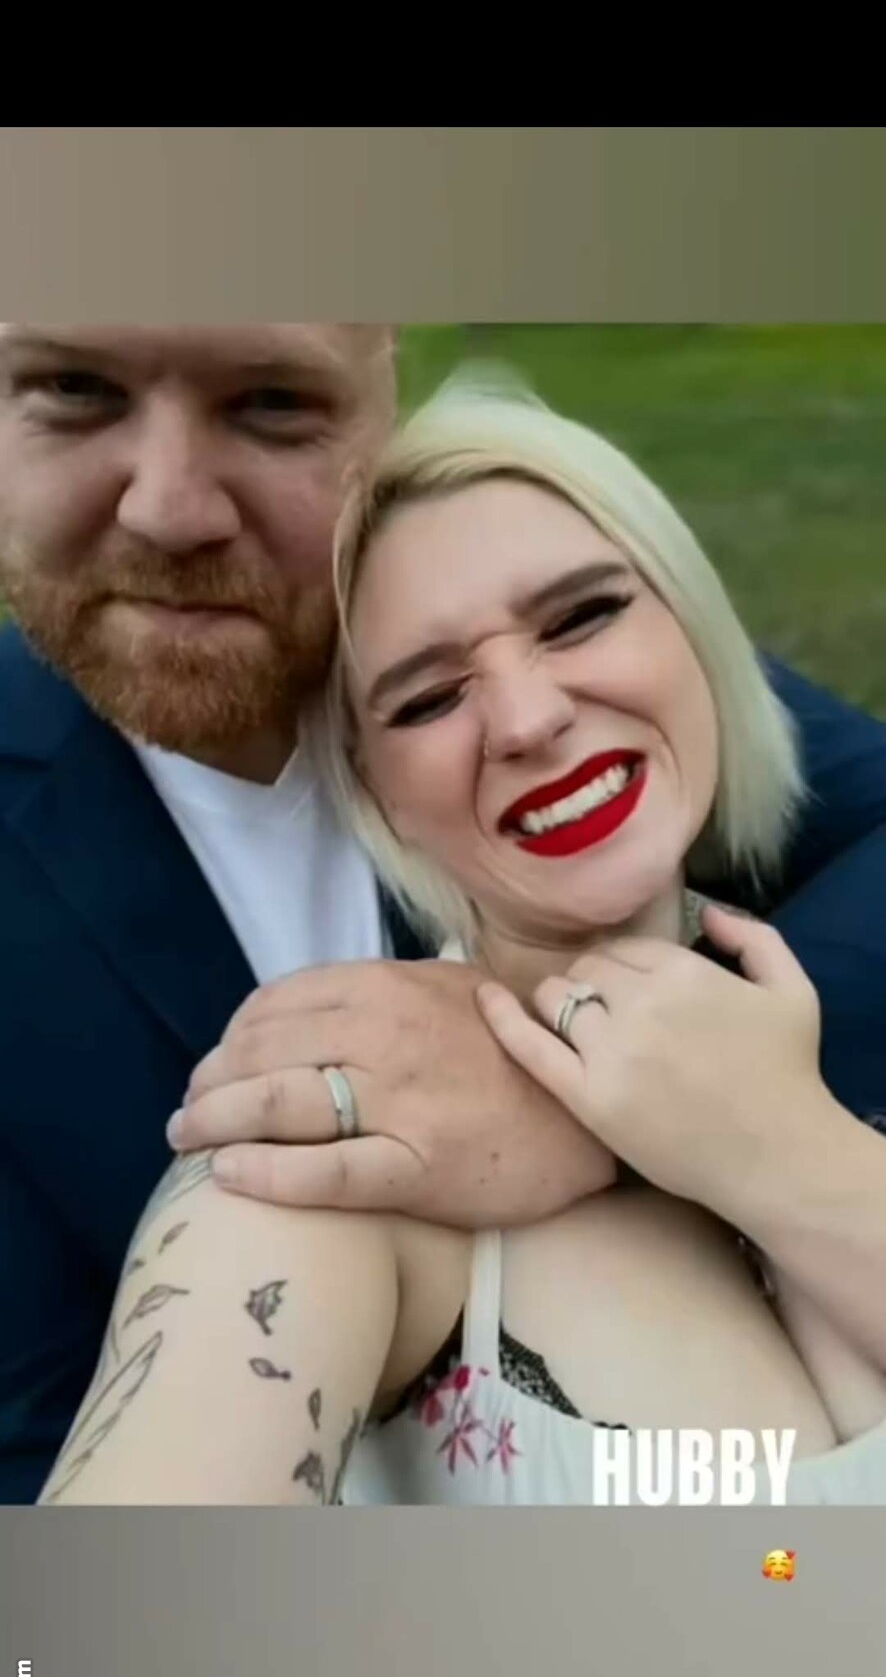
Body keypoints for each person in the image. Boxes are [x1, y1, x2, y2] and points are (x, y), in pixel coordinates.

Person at [3, 330, 886, 1505]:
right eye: (74, 390)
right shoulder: (294, 1180)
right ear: (369, 782)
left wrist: (652, 1083)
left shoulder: (518, 616)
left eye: (269, 400)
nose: (529, 718)